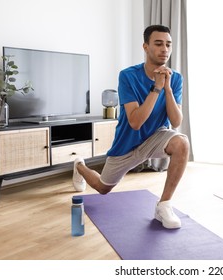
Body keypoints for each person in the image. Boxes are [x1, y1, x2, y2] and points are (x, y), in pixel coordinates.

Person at [72, 25, 190, 229]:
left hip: (156, 138)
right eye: (159, 43)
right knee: (102, 188)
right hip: (127, 144)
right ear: (146, 47)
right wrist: (157, 88)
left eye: (168, 44)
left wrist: (168, 89)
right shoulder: (128, 76)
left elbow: (176, 121)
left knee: (182, 143)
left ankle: (164, 205)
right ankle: (79, 166)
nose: (165, 49)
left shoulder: (176, 78)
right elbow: (135, 122)